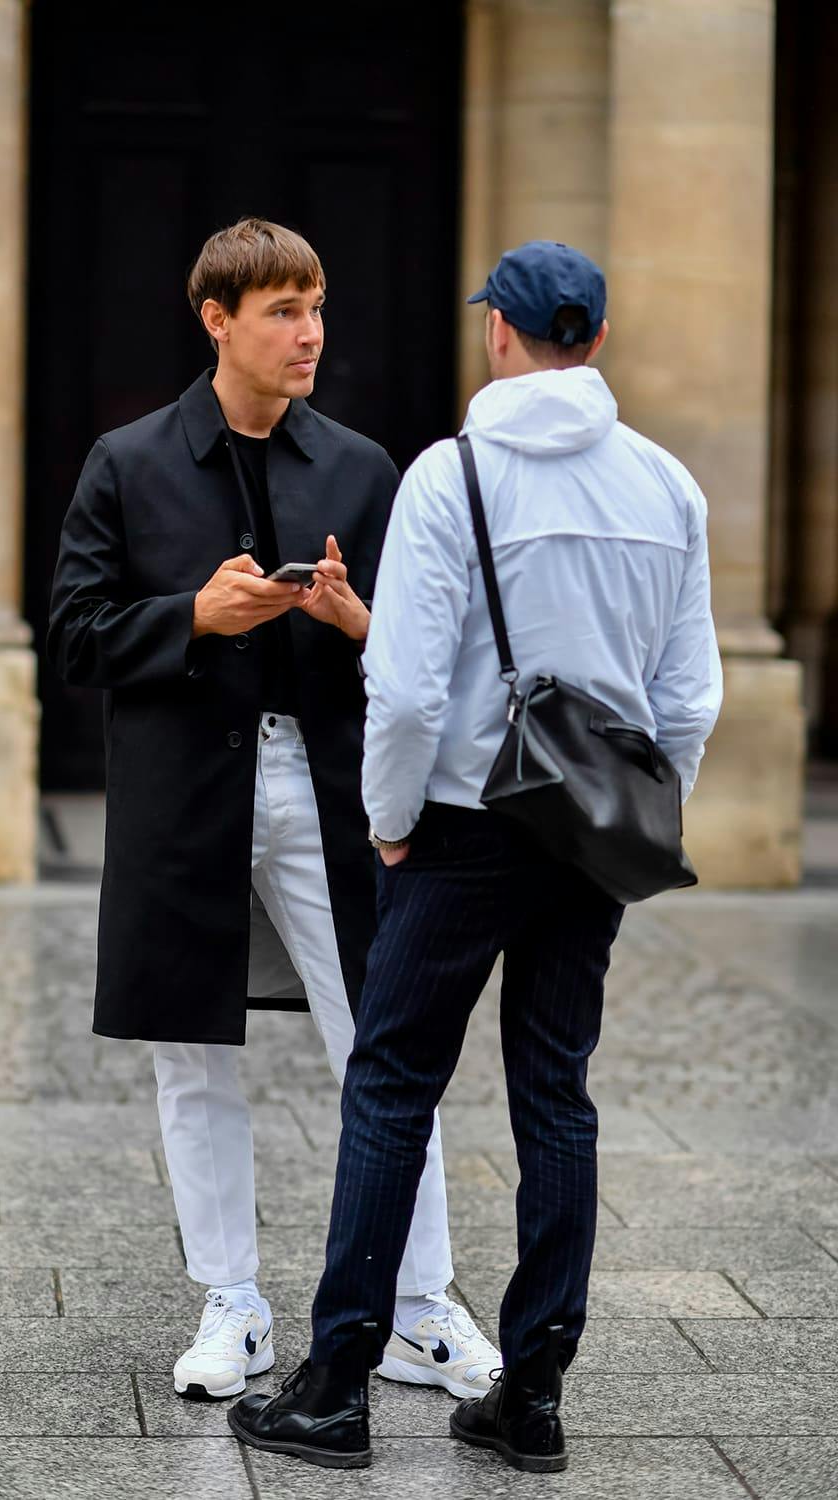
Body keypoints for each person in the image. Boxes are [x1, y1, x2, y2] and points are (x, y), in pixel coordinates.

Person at [228, 239, 724, 1471]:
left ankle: (336, 1384)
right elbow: (691, 698)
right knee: (556, 1092)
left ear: (498, 334)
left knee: (392, 1083)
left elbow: (400, 689)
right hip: (591, 837)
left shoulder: (454, 479)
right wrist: (635, 825)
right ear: (594, 341)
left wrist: (389, 818)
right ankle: (533, 1397)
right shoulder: (666, 487)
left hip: (458, 824)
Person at [47, 218, 498, 1405]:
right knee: (189, 1056)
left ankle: (416, 1308)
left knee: (383, 1043)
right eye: (284, 310)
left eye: (317, 306)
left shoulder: (360, 467)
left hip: (330, 787)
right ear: (217, 321)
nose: (310, 333)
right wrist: (192, 617)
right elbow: (74, 634)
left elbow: (431, 650)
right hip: (182, 791)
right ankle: (232, 1305)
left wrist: (355, 622)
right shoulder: (127, 461)